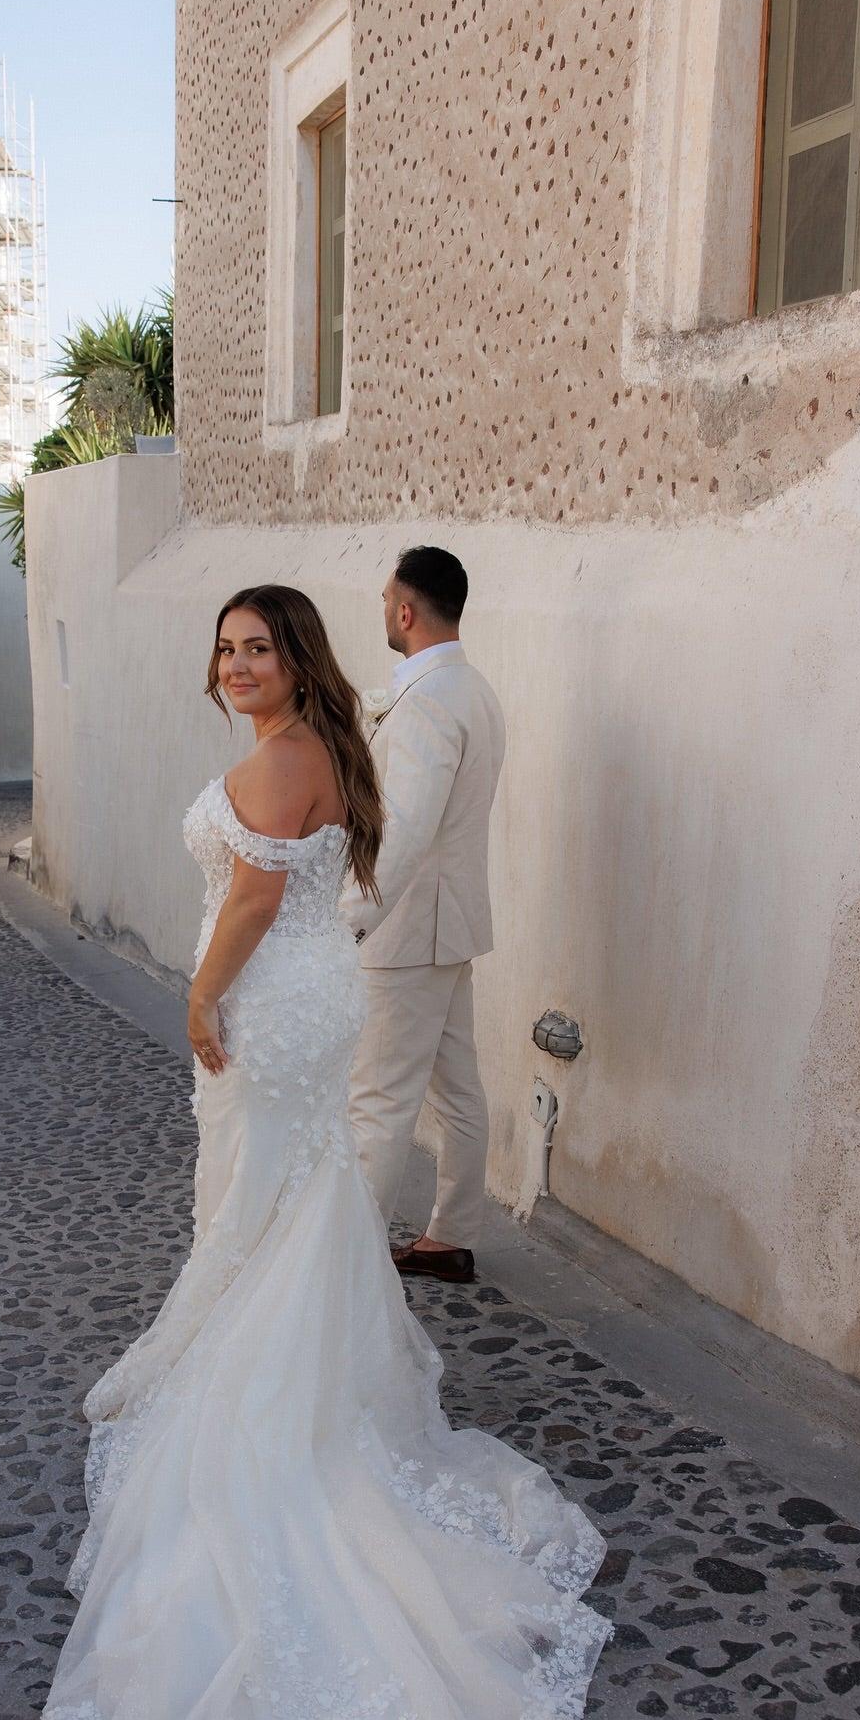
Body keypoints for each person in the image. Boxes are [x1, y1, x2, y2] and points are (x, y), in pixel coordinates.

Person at [34, 583, 608, 1720]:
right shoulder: (322, 747)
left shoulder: (284, 758)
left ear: (298, 660)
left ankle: (260, 1400)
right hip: (308, 995)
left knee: (257, 1200)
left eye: (259, 647)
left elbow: (248, 901)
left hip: (270, 1001)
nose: (237, 664)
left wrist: (198, 997)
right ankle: (289, 1370)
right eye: (225, 647)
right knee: (286, 1196)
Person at [344, 545, 505, 1283]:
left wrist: (352, 918)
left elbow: (406, 830)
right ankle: (451, 1236)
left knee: (379, 1101)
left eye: (387, 599)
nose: (383, 609)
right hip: (450, 923)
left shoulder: (431, 701)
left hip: (407, 931)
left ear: (406, 611)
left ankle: (349, 1265)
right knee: (458, 1089)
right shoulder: (475, 690)